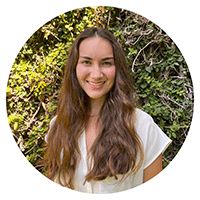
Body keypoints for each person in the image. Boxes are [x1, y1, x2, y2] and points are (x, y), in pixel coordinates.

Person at [45, 27, 172, 194]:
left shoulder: (142, 126)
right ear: (74, 67)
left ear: (117, 68)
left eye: (106, 63)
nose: (96, 74)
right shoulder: (58, 125)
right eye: (86, 62)